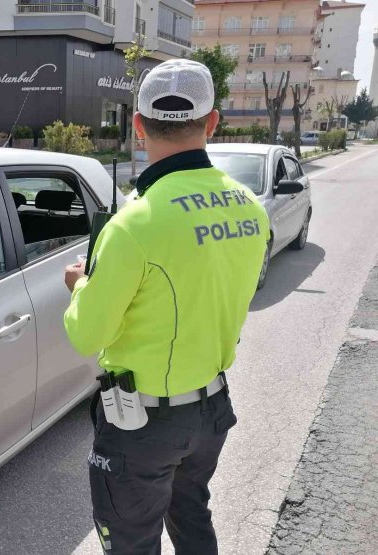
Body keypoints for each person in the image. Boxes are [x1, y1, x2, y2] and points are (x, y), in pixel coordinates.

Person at [63, 59, 269, 554]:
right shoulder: (249, 206)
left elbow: (86, 336)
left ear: (137, 126)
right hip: (211, 409)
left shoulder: (134, 224)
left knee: (132, 542)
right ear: (212, 121)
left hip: (144, 425)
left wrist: (79, 286)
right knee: (192, 520)